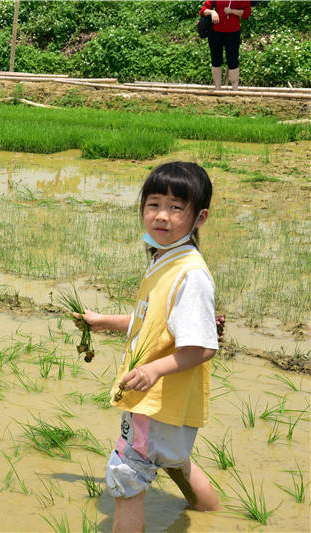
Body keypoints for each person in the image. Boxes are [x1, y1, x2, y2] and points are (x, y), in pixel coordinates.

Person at [75, 162, 220, 532]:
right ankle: (213, 515)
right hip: (160, 398)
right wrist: (104, 321)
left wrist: (152, 370)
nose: (161, 216)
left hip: (156, 397)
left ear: (199, 217)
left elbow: (202, 347)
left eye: (176, 207)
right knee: (173, 460)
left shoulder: (190, 274)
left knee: (127, 473)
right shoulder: (165, 260)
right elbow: (153, 325)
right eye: (153, 204)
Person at [201, 0, 251, 90]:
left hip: (233, 33)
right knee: (216, 60)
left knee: (233, 61)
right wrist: (212, 12)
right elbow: (203, 10)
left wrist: (232, 11)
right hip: (215, 32)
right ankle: (217, 89)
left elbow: (247, 13)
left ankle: (235, 90)